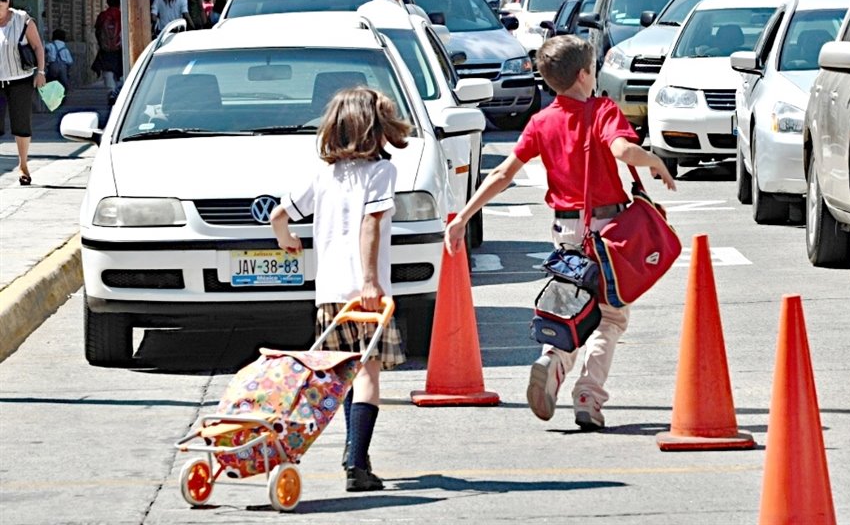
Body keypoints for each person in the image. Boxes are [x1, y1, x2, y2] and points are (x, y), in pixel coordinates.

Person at [445, 35, 676, 431]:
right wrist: (654, 160)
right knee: (610, 317)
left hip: (566, 232)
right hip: (606, 231)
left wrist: (463, 217)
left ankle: (553, 360)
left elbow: (503, 173)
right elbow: (622, 151)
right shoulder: (602, 110)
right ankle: (588, 395)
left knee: (573, 307)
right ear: (584, 74)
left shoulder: (541, 121)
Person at [270, 86, 410, 492]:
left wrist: (287, 240)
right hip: (364, 294)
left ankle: (355, 454)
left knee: (347, 374)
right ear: (374, 129)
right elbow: (371, 224)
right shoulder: (381, 172)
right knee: (368, 375)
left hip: (329, 293)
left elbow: (279, 215)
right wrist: (369, 280)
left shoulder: (324, 174)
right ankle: (356, 462)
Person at [0, 0, 46, 186]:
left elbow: (37, 47)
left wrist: (41, 72)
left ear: (7, 2)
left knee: (21, 124)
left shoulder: (22, 20)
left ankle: (23, 165)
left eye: (0, 6)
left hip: (20, 80)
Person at [93, 0, 123, 92]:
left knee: (107, 71)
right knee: (120, 72)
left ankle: (111, 91)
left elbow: (97, 31)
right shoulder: (122, 15)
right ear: (120, 2)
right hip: (119, 49)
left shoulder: (102, 16)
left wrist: (101, 43)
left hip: (105, 49)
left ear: (107, 2)